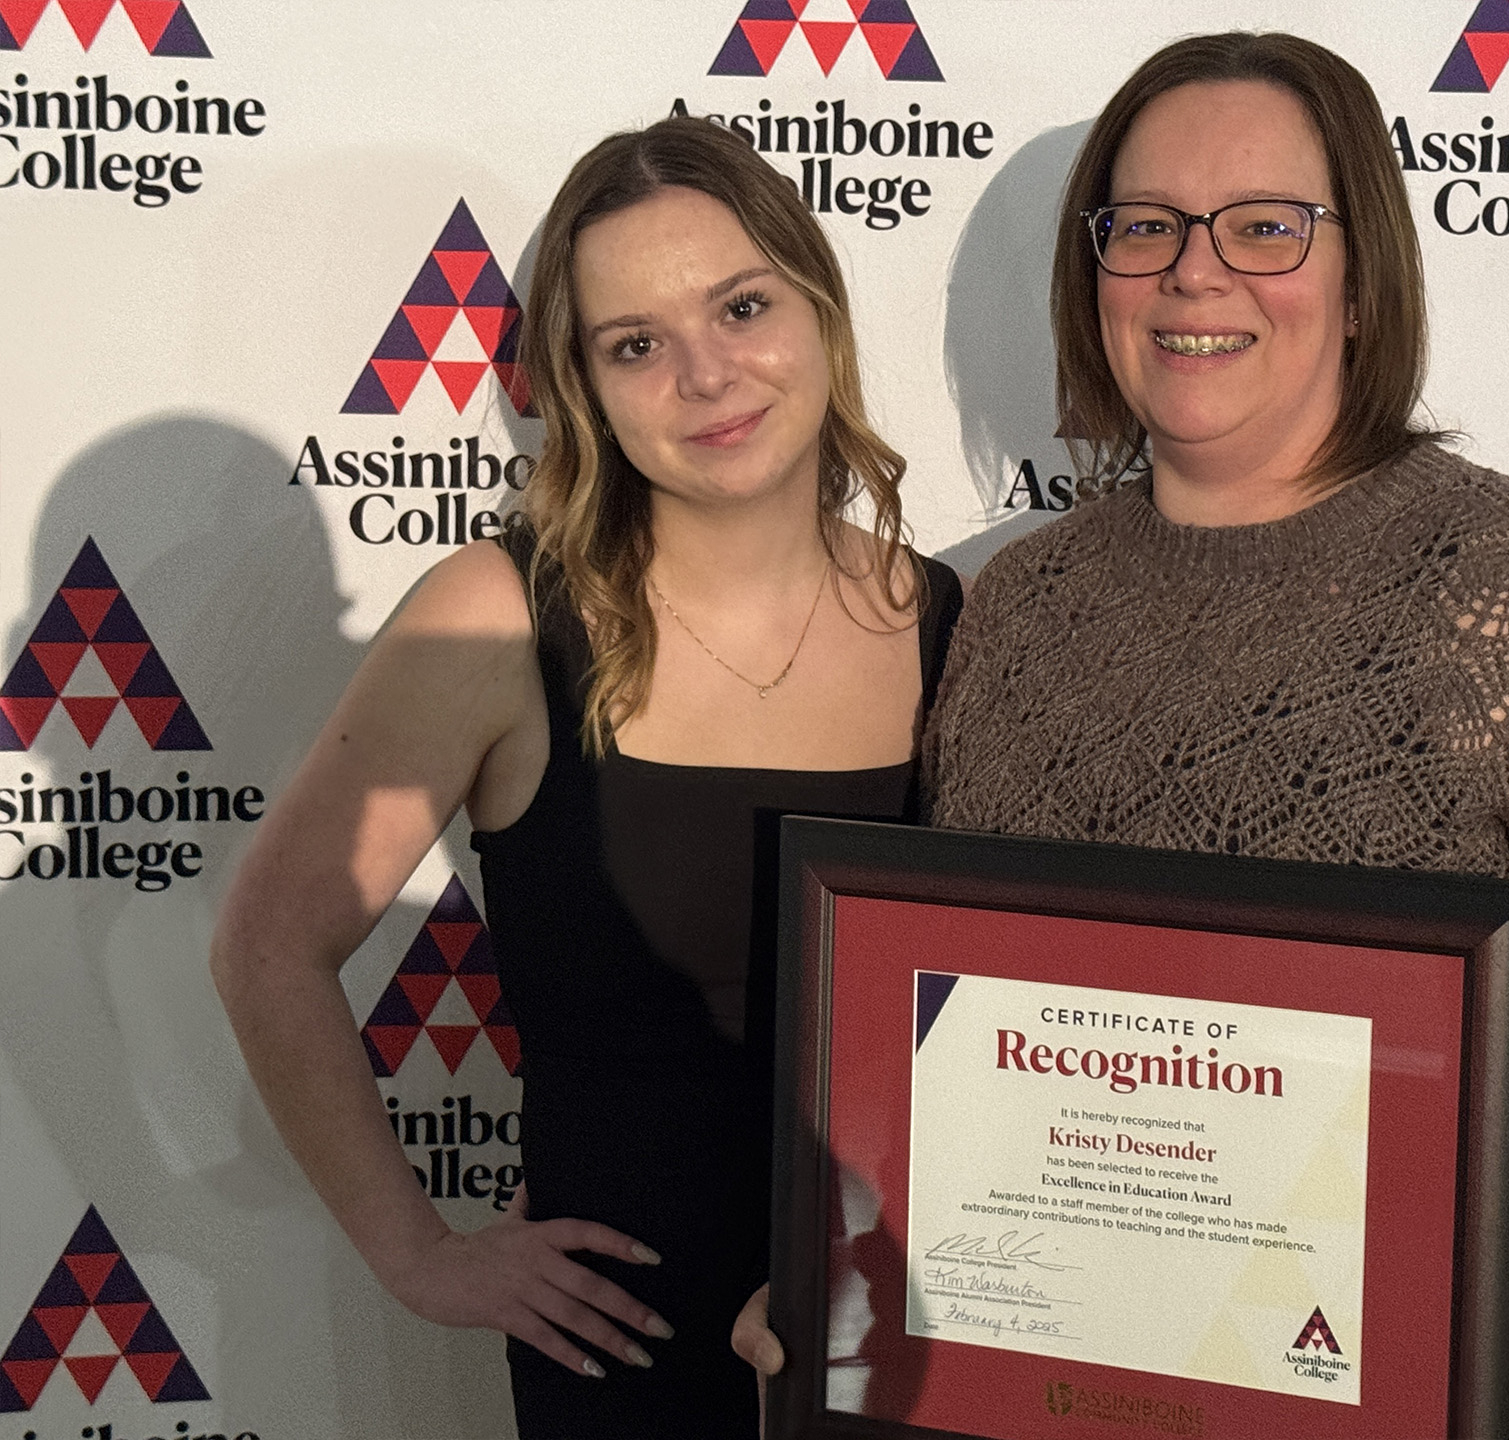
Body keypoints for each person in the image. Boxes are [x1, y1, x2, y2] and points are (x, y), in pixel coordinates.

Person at [829, 31, 1509, 1440]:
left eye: (1266, 226)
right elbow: (947, 1028)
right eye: (1145, 225)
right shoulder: (1017, 610)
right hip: (1033, 1395)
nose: (1195, 272)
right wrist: (837, 1282)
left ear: (1359, 284)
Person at [212, 117, 961, 1439]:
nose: (707, 375)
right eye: (636, 345)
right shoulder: (496, 619)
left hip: (893, 1328)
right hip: (628, 1358)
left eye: (742, 306)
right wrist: (420, 1255)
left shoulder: (953, 619)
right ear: (580, 388)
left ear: (820, 311)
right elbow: (269, 943)